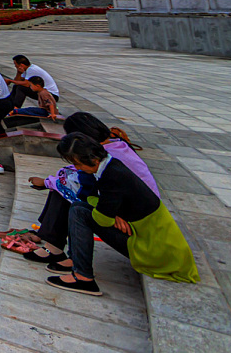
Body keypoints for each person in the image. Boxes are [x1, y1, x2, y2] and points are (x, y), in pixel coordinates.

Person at [41, 133, 197, 295]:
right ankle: (75, 261)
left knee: (79, 212)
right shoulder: (109, 165)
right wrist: (112, 216)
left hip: (155, 250)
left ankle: (83, 278)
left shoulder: (112, 177)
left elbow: (101, 219)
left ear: (93, 159)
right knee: (80, 205)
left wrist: (109, 217)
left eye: (78, 164)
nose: (78, 169)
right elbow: (92, 198)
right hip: (147, 239)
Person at [20, 113, 158, 265]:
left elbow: (77, 182)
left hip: (134, 227)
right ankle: (52, 244)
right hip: (127, 214)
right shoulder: (115, 146)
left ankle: (76, 264)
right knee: (65, 186)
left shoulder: (109, 158)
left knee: (70, 195)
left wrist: (47, 183)